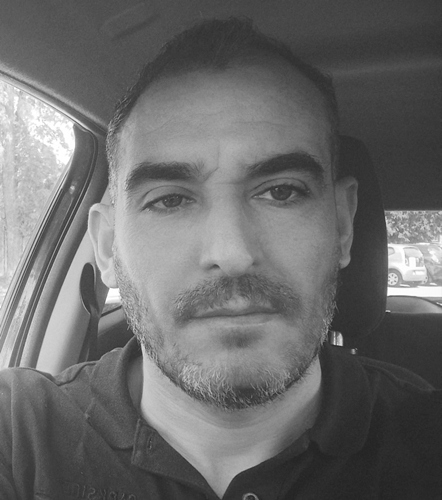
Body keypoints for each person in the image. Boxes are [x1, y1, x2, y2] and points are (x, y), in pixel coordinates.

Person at [0, 17, 440, 500]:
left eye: (281, 192)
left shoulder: (425, 438)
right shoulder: (17, 434)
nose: (232, 254)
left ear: (342, 226)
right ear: (109, 247)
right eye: (170, 200)